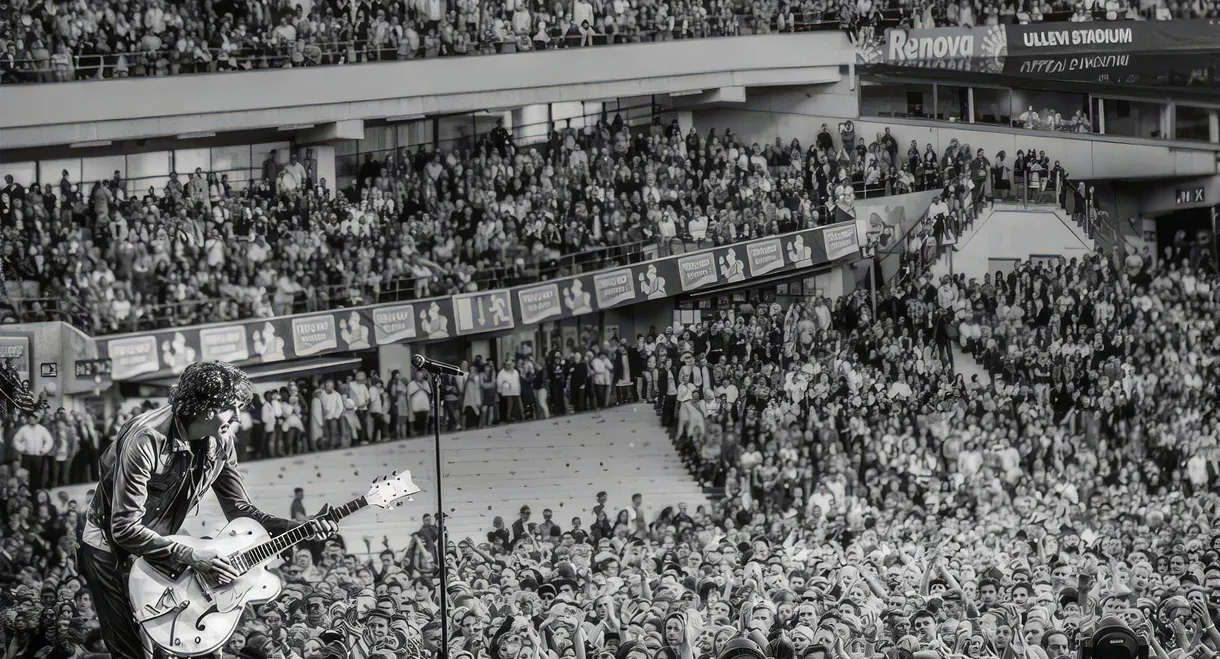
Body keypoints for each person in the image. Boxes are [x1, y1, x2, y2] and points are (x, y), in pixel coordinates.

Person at [75, 361, 339, 659]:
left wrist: (298, 528)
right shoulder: (146, 439)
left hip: (164, 542)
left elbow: (240, 510)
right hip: (107, 543)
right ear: (206, 408)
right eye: (232, 408)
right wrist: (190, 555)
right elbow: (123, 529)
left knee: (170, 644)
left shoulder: (223, 440)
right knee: (132, 650)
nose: (238, 417)